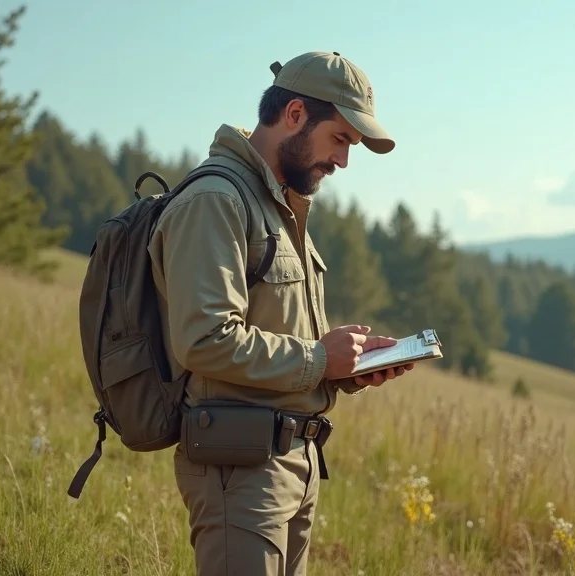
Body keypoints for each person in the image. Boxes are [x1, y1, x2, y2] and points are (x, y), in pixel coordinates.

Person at [146, 50, 412, 576]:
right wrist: (318, 358)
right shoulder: (217, 201)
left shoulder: (277, 205)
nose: (343, 162)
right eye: (340, 138)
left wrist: (349, 364)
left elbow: (274, 333)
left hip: (293, 465)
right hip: (240, 473)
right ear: (294, 116)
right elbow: (205, 340)